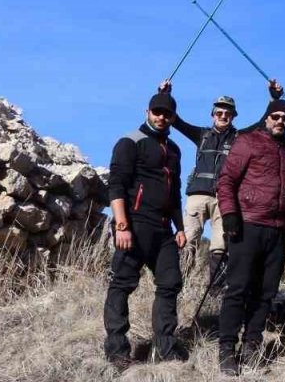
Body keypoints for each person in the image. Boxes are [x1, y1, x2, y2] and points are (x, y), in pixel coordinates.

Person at [158, 78, 282, 291]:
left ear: (233, 116)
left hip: (224, 199)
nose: (223, 116)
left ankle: (215, 293)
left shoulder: (240, 137)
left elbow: (264, 122)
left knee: (220, 247)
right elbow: (176, 121)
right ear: (212, 114)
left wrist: (274, 98)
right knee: (188, 242)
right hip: (197, 197)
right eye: (219, 112)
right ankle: (177, 288)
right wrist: (165, 95)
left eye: (228, 113)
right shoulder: (202, 135)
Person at [216, 97, 285, 376]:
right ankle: (227, 348)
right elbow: (226, 179)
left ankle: (252, 343)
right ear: (266, 118)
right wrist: (229, 214)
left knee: (266, 293)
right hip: (248, 224)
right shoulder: (248, 141)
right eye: (275, 116)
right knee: (238, 288)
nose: (280, 121)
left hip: (278, 230)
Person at [103, 92, 187, 369]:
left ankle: (165, 348)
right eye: (157, 111)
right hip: (134, 225)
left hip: (163, 229)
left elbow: (174, 194)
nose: (161, 117)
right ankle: (117, 352)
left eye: (166, 113)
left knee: (171, 283)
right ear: (147, 112)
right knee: (122, 284)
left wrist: (181, 227)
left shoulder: (174, 149)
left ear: (173, 117)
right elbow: (116, 185)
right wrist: (121, 225)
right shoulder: (130, 142)